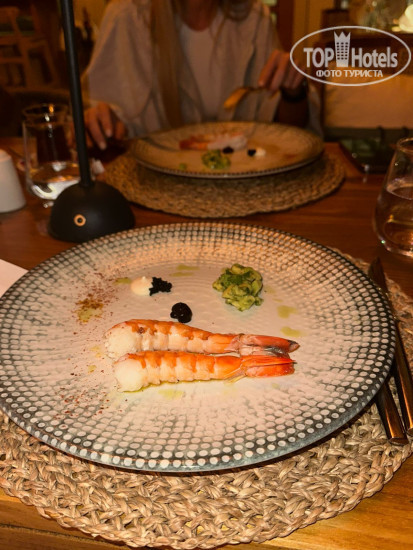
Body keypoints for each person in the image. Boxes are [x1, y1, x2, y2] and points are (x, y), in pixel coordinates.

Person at [82, 0, 321, 149]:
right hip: (152, 195)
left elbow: (288, 133)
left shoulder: (255, 19)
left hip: (244, 192)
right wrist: (102, 123)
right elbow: (103, 126)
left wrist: (294, 93)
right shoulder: (127, 18)